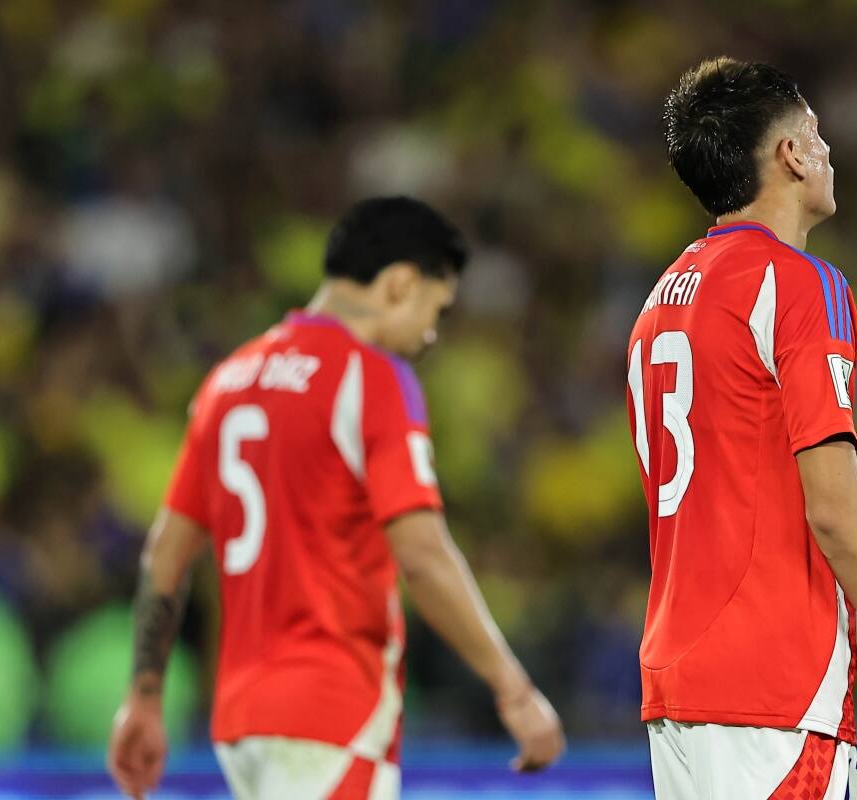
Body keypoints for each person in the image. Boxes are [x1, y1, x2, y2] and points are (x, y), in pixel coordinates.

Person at [107, 197, 565, 800]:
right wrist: (512, 686)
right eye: (436, 309)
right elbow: (423, 557)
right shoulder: (370, 376)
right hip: (332, 712)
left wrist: (143, 698)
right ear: (400, 284)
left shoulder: (228, 381)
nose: (430, 335)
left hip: (242, 722)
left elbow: (164, 555)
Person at [625, 58, 857, 799]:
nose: (827, 151)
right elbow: (835, 510)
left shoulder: (659, 301)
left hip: (678, 690)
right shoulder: (801, 283)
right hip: (773, 687)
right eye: (816, 133)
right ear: (791, 154)